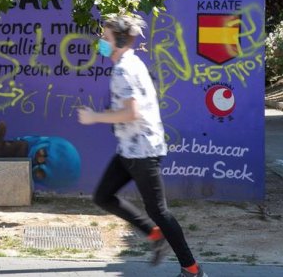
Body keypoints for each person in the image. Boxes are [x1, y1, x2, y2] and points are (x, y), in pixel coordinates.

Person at [78, 15, 207, 277]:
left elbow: (131, 113)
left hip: (143, 151)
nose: (101, 42)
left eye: (105, 38)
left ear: (120, 40)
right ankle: (153, 233)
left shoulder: (124, 70)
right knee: (103, 196)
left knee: (158, 210)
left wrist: (95, 117)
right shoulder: (130, 63)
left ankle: (192, 270)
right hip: (130, 148)